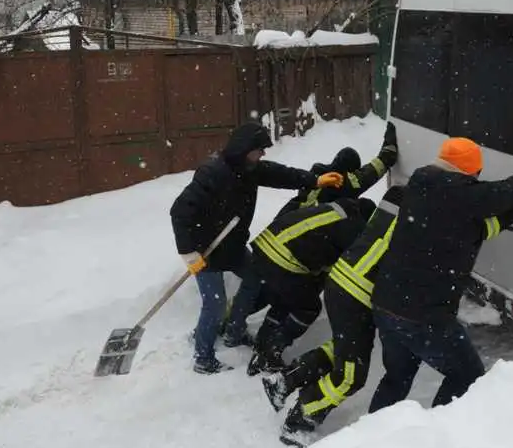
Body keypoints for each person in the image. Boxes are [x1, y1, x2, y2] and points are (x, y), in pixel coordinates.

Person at [261, 185, 513, 448]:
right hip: (360, 290)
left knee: (346, 349)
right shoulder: (427, 218)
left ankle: (285, 380)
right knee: (351, 375)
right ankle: (300, 419)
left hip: (345, 279)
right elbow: (476, 227)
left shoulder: (399, 195)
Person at [367, 136, 513, 411]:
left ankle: (373, 431)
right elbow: (501, 193)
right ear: (471, 173)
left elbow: (486, 213)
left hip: (387, 305)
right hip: (425, 316)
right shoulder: (463, 195)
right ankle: (437, 428)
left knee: (396, 378)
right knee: (467, 375)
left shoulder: (420, 184)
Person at [169, 121, 345, 375]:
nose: (262, 154)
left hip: (232, 246)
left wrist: (315, 180)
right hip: (204, 250)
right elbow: (179, 211)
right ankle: (203, 357)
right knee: (215, 304)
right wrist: (189, 254)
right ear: (244, 148)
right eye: (259, 149)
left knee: (256, 278)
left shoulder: (249, 169)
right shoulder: (213, 173)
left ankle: (234, 331)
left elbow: (281, 175)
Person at [223, 121, 399, 345]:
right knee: (298, 301)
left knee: (265, 290)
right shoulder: (342, 185)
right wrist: (389, 147)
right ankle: (268, 343)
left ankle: (228, 323)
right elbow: (373, 170)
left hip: (278, 237)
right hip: (300, 250)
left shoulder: (316, 177)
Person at [244, 197, 378, 377]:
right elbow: (339, 268)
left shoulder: (335, 210)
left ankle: (262, 345)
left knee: (286, 300)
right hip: (283, 257)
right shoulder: (353, 229)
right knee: (308, 308)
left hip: (267, 245)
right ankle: (271, 350)